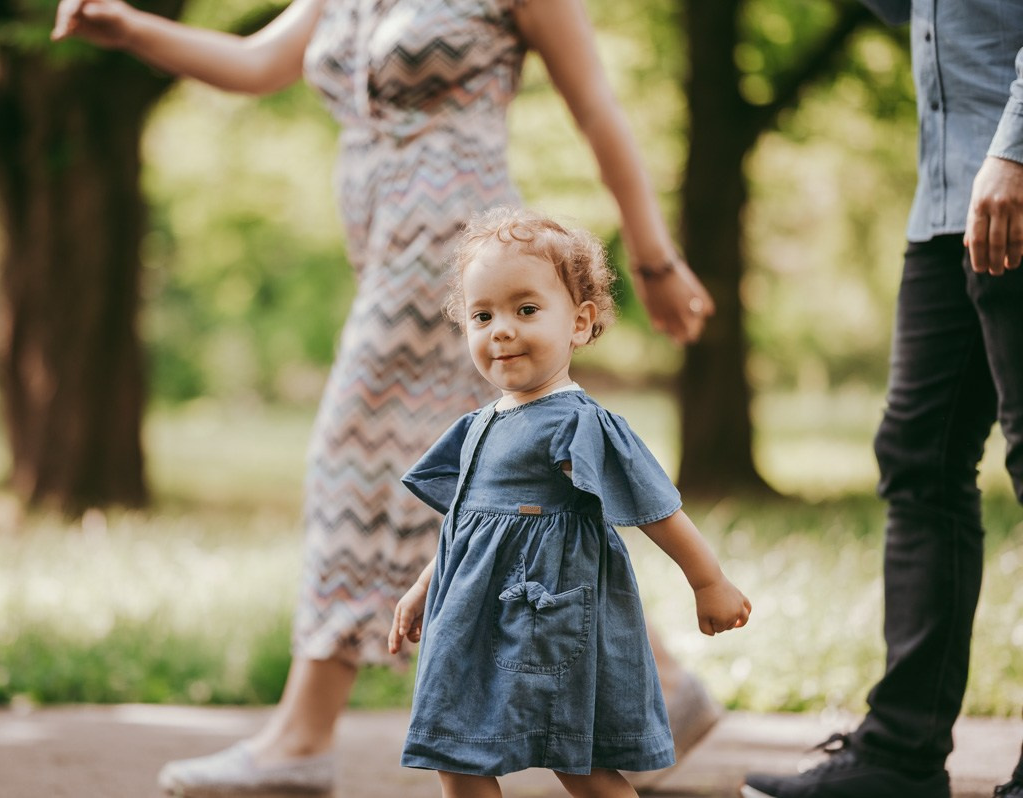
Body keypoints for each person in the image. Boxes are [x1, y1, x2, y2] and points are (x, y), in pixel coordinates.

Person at [50, 1, 722, 794]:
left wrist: (652, 259)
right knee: (501, 479)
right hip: (391, 255)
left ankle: (302, 734)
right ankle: (658, 681)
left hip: (464, 258)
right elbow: (255, 62)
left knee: (354, 464)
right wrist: (129, 28)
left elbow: (597, 109)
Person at [742, 2, 1023, 797]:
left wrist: (1017, 152)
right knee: (918, 461)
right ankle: (900, 756)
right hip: (949, 200)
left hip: (1013, 178)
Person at [387, 207, 751, 798]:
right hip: (473, 617)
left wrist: (707, 580)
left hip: (543, 615)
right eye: (482, 316)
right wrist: (424, 586)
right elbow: (469, 521)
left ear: (579, 323)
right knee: (456, 751)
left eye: (525, 310)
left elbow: (655, 506)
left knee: (573, 755)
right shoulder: (481, 422)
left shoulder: (577, 422)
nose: (500, 329)